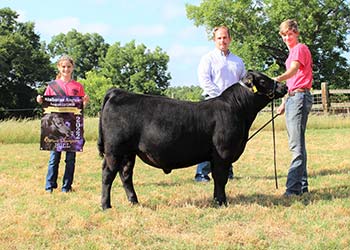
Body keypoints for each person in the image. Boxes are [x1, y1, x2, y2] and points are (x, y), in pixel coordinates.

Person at [194, 26, 246, 182]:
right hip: (212, 104)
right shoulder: (208, 59)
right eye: (219, 38)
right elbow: (204, 80)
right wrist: (221, 98)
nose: (222, 41)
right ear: (214, 40)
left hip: (233, 108)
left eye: (225, 38)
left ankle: (227, 171)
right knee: (207, 140)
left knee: (230, 139)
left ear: (230, 39)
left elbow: (243, 83)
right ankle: (202, 173)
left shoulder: (238, 61)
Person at [37, 55, 89, 193]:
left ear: (72, 68)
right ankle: (49, 186)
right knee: (54, 158)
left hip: (71, 127)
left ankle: (66, 187)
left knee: (70, 159)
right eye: (63, 66)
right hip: (55, 127)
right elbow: (46, 103)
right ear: (59, 67)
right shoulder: (52, 86)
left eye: (69, 66)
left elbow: (80, 106)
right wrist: (40, 100)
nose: (66, 69)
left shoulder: (78, 86)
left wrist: (85, 102)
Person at [273, 19, 313, 196]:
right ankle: (302, 186)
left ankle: (293, 189)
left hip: (299, 97)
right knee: (298, 144)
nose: (287, 37)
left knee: (295, 145)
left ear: (296, 33)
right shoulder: (291, 54)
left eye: (290, 34)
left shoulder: (299, 49)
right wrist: (283, 103)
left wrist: (275, 80)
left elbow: (294, 71)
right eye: (284, 35)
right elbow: (292, 81)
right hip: (293, 97)